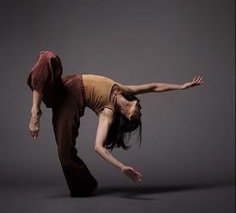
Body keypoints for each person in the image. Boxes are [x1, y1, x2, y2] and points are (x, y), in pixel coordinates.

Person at [27, 51, 204, 197]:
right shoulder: (123, 89)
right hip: (65, 85)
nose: (140, 108)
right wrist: (182, 86)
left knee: (64, 153)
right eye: (140, 108)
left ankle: (84, 186)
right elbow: (153, 87)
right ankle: (35, 111)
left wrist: (122, 168)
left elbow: (99, 147)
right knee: (49, 58)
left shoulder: (107, 113)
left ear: (129, 117)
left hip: (70, 101)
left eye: (138, 115)